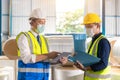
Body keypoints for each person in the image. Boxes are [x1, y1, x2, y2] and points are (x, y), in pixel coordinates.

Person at [60, 13, 111, 80]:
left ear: (98, 26)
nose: (88, 29)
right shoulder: (92, 41)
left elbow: (103, 64)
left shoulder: (103, 42)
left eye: (90, 26)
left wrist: (85, 68)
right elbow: (89, 60)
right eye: (86, 27)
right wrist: (71, 60)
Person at [16, 8, 60, 80]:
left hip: (43, 78)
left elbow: (47, 60)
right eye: (40, 22)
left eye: (44, 22)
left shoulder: (44, 39)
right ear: (32, 22)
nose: (42, 25)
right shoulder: (24, 37)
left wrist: (59, 61)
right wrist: (48, 55)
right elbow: (26, 58)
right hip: (28, 77)